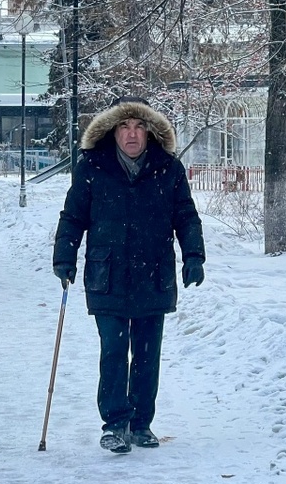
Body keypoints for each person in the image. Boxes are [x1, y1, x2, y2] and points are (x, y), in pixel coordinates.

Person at [53, 96, 206, 454]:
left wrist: (194, 256)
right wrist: (65, 255)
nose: (132, 134)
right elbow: (74, 215)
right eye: (125, 126)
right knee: (114, 349)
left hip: (154, 273)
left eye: (139, 127)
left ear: (150, 132)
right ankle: (114, 423)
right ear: (113, 130)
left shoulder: (167, 168)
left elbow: (185, 214)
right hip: (108, 274)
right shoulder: (92, 166)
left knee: (147, 354)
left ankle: (140, 424)